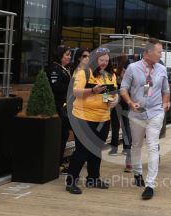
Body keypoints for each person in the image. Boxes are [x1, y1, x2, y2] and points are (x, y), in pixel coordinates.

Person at [120, 38, 170, 200]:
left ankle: (150, 184)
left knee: (153, 146)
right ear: (148, 52)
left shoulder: (162, 69)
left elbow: (166, 89)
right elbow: (123, 88)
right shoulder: (132, 68)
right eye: (158, 51)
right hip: (137, 113)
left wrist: (164, 105)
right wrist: (130, 102)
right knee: (136, 145)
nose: (160, 54)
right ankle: (138, 173)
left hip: (155, 112)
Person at [65, 47, 118, 194]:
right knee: (82, 150)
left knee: (96, 149)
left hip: (102, 118)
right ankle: (71, 181)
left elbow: (108, 94)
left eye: (107, 61)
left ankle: (93, 178)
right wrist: (92, 91)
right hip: (83, 117)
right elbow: (75, 92)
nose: (104, 63)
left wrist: (111, 101)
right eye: (101, 60)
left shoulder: (110, 76)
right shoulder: (84, 73)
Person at [48, 45, 73, 173]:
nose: (69, 57)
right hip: (58, 107)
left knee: (64, 134)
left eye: (69, 54)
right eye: (67, 55)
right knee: (61, 134)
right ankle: (56, 163)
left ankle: (60, 162)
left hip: (66, 105)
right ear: (60, 56)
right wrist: (72, 87)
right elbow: (56, 87)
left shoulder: (65, 68)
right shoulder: (54, 68)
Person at [108, 55, 133, 172]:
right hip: (125, 100)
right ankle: (126, 147)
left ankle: (114, 148)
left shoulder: (115, 72)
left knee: (115, 124)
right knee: (125, 125)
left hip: (116, 98)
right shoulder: (128, 71)